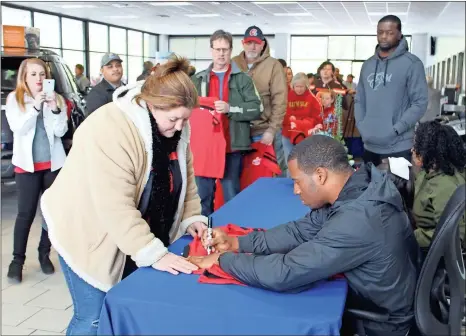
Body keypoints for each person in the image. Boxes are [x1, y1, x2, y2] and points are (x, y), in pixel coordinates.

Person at [40, 57, 207, 335]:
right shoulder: (110, 128)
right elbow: (114, 205)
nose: (179, 127)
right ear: (152, 105)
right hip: (83, 228)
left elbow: (185, 177)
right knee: (93, 317)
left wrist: (191, 216)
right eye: (173, 119)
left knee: (124, 308)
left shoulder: (176, 125)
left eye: (184, 119)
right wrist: (151, 252)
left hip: (122, 227)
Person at [191, 135, 419, 336]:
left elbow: (285, 272)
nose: (296, 191)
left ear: (320, 175)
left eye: (297, 182)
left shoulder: (358, 218)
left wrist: (223, 261)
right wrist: (236, 242)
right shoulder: (358, 187)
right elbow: (298, 231)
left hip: (383, 323)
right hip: (382, 299)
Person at [6, 58, 68, 283]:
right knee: (25, 214)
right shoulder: (16, 99)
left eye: (42, 74)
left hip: (52, 165)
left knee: (50, 215)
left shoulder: (57, 98)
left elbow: (61, 131)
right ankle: (17, 261)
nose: (38, 79)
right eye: (33, 74)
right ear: (24, 77)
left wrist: (53, 108)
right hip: (27, 166)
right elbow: (18, 128)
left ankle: (44, 253)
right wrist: (35, 107)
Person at [190, 29, 262, 216]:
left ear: (231, 51)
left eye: (225, 49)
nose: (221, 53)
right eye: (218, 49)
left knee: (232, 196)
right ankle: (203, 238)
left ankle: (232, 237)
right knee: (201, 198)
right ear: (211, 50)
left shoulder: (244, 79)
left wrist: (231, 108)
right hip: (204, 148)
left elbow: (257, 109)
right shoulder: (197, 79)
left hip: (232, 146)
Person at [355, 15, 428, 166]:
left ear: (400, 34)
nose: (384, 37)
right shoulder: (368, 65)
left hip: (398, 146)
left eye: (389, 33)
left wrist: (396, 129)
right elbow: (359, 99)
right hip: (369, 144)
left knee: (397, 190)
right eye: (380, 32)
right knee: (370, 188)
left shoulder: (412, 63)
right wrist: (362, 126)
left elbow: (420, 103)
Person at [232, 25, 288, 176]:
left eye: (256, 43)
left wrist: (272, 130)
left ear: (263, 44)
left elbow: (280, 100)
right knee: (240, 176)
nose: (252, 46)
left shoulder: (273, 65)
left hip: (263, 132)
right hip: (237, 132)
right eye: (249, 42)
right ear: (243, 43)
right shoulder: (233, 63)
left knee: (267, 175)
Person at [411, 121, 466, 250]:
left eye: (416, 146)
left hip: (429, 248)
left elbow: (452, 236)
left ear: (429, 150)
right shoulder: (429, 170)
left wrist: (411, 237)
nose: (412, 150)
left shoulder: (446, 188)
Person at [282, 72, 321, 161]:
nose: (299, 89)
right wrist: (290, 120)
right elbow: (281, 113)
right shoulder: (287, 96)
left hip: (304, 134)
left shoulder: (311, 98)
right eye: (297, 86)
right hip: (288, 133)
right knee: (289, 161)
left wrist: (299, 122)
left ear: (306, 86)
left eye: (301, 87)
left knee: (304, 161)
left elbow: (316, 118)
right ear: (293, 85)